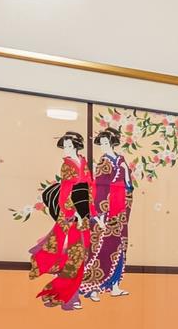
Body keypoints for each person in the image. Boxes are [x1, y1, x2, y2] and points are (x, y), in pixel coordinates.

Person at [28, 131, 92, 310]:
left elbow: (89, 188)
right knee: (74, 255)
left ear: (77, 146)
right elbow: (66, 191)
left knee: (80, 256)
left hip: (83, 214)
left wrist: (89, 211)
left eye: (70, 146)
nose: (66, 150)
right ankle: (69, 296)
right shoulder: (67, 166)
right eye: (65, 146)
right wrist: (74, 212)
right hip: (71, 214)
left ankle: (69, 293)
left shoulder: (83, 162)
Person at [80, 126, 135, 301]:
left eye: (105, 143)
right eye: (101, 143)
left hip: (120, 208)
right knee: (102, 248)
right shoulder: (104, 162)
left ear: (112, 143)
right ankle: (93, 288)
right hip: (107, 208)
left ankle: (115, 285)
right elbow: (99, 190)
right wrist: (99, 214)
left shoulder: (121, 160)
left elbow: (128, 182)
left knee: (119, 247)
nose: (103, 146)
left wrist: (127, 196)